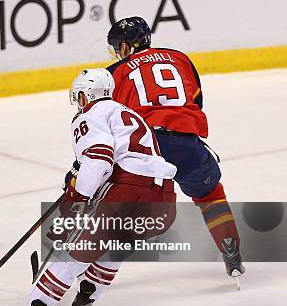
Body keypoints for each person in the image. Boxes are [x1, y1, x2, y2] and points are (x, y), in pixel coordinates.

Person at [4, 69, 177, 306]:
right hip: (164, 199)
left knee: (74, 256)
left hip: (126, 192)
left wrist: (78, 198)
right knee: (117, 245)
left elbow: (99, 160)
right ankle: (84, 302)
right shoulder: (129, 114)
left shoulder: (90, 115)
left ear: (86, 94)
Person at [105, 16, 245, 280]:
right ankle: (232, 255)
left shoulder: (115, 73)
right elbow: (196, 101)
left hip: (146, 148)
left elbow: (109, 120)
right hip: (187, 143)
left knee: (114, 203)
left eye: (117, 47)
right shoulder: (179, 58)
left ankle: (85, 266)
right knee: (210, 194)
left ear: (125, 46)